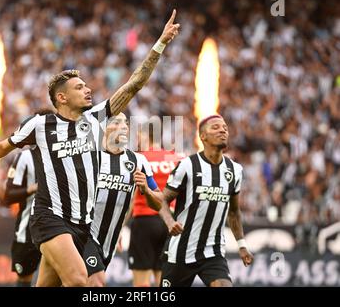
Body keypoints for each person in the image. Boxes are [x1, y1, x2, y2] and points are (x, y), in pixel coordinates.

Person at [0, 9, 180, 287]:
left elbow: (134, 84)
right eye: (79, 87)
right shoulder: (41, 124)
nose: (88, 90)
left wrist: (160, 44)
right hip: (50, 217)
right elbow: (3, 147)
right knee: (80, 281)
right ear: (62, 97)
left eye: (87, 86)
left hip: (82, 224)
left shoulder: (95, 120)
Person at [141, 115, 254, 287]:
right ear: (203, 136)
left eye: (224, 127)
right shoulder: (187, 165)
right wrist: (170, 222)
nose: (223, 130)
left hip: (213, 252)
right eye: (215, 127)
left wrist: (241, 244)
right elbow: (163, 201)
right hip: (181, 251)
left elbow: (233, 211)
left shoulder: (235, 170)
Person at [82, 113, 160, 286]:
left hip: (109, 240)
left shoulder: (138, 160)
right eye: (116, 122)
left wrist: (146, 190)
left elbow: (159, 201)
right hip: (83, 233)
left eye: (125, 123)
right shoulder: (89, 156)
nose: (124, 126)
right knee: (96, 282)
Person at [0, 109, 52, 287]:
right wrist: (32, 188)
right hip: (27, 230)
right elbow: (8, 196)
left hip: (56, 229)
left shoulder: (62, 154)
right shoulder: (25, 158)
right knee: (24, 280)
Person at [128, 128, 184, 287]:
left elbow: (132, 197)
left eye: (139, 136)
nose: (137, 140)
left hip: (144, 219)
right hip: (169, 222)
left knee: (141, 284)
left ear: (147, 136)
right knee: (163, 280)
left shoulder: (139, 158)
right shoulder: (175, 158)